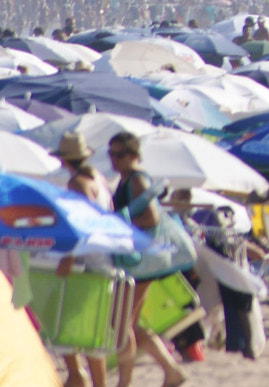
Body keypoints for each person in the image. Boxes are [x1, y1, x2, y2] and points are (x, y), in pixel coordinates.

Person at [109, 132, 189, 387]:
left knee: (121, 325)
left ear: (134, 155)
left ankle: (125, 383)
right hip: (141, 261)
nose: (114, 159)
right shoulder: (127, 179)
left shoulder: (136, 180)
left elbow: (151, 219)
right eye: (111, 153)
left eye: (120, 154)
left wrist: (120, 221)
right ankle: (171, 371)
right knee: (127, 323)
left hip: (142, 263)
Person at [55, 134, 112, 387]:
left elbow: (85, 222)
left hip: (89, 259)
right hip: (103, 256)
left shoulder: (77, 182)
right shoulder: (97, 177)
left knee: (68, 320)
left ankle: (80, 376)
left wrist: (69, 255)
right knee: (88, 324)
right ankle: (80, 376)